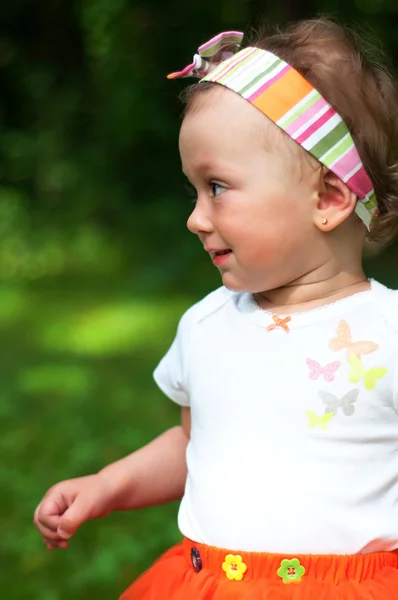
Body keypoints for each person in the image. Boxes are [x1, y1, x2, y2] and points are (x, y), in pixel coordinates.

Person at [34, 16, 398, 599]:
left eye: (218, 188)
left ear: (328, 199)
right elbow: (192, 442)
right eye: (194, 191)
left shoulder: (389, 332)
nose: (196, 217)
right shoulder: (206, 324)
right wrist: (108, 485)